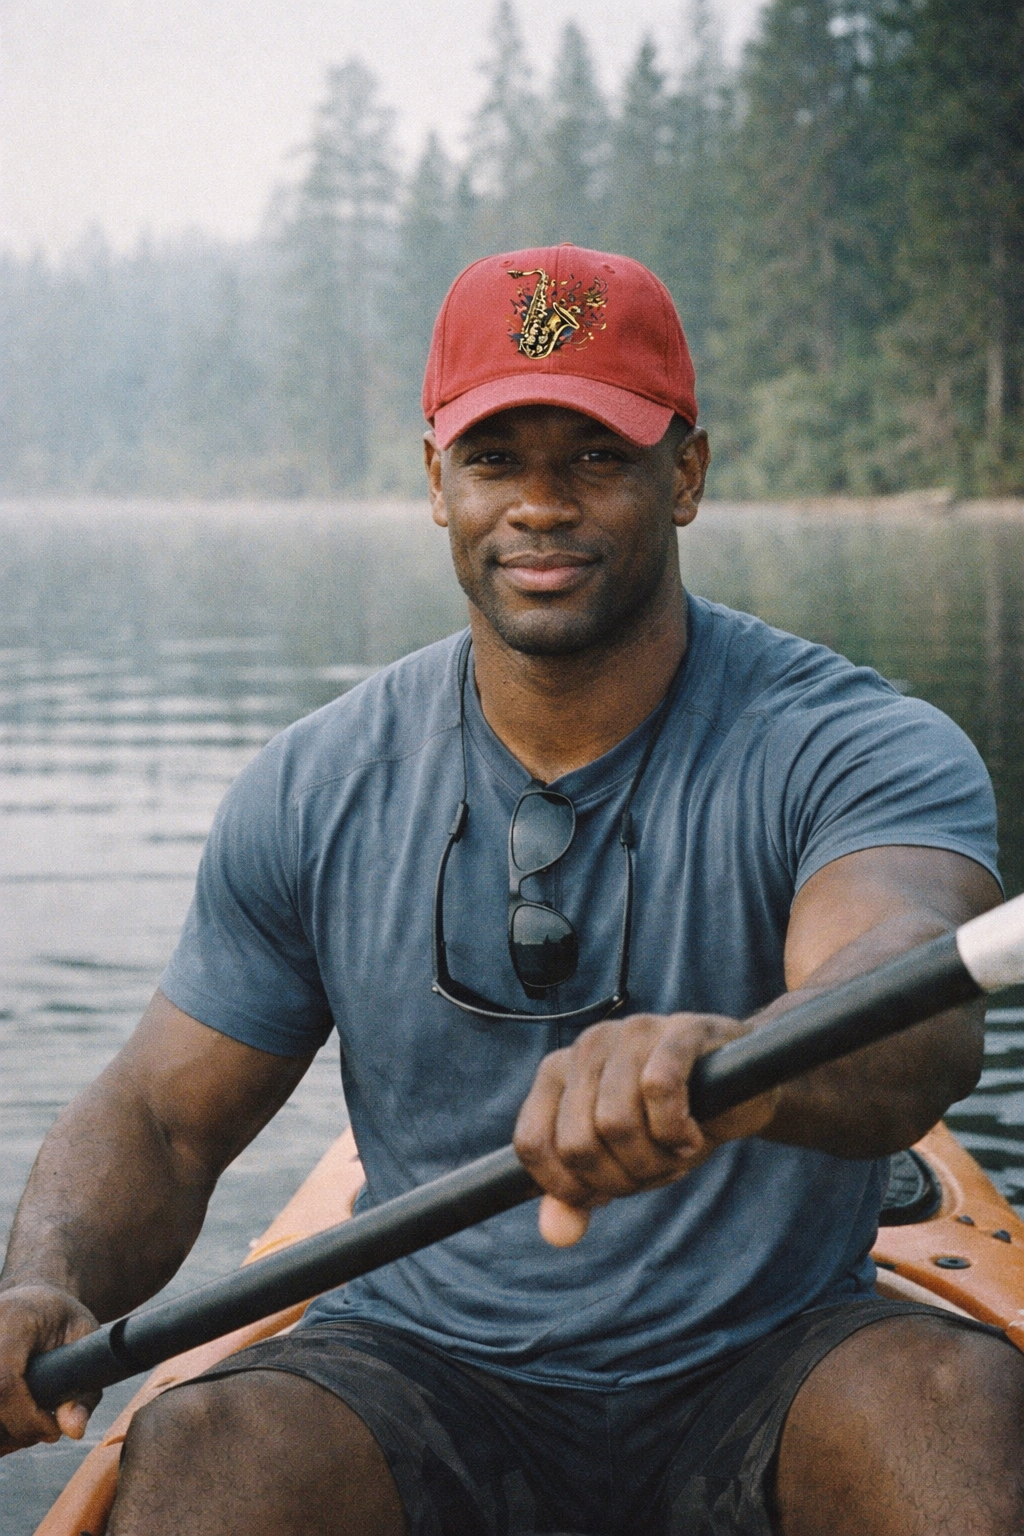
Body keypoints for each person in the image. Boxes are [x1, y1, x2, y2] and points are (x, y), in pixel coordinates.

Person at [0, 244, 1021, 1536]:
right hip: (418, 1363)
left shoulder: (854, 744)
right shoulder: (316, 783)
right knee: (206, 1446)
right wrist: (47, 1280)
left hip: (775, 1349)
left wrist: (739, 1059)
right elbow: (163, 1120)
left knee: (958, 1418)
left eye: (596, 456)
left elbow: (910, 998)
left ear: (686, 475)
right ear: (437, 482)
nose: (541, 505)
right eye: (496, 460)